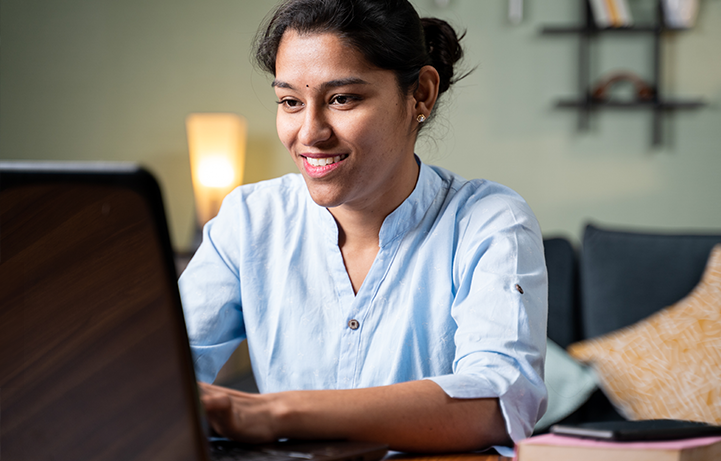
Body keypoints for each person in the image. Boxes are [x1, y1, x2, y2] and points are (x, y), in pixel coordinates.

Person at [179, 0, 547, 454]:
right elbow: (159, 373)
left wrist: (276, 412)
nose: (310, 133)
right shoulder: (249, 219)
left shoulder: (490, 220)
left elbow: (499, 401)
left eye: (342, 99)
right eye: (290, 102)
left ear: (422, 95)